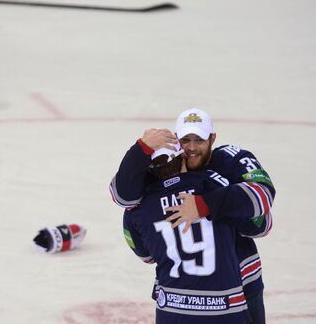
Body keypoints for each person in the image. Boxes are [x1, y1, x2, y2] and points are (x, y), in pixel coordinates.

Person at [110, 108, 275, 323]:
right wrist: (140, 149)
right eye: (185, 140)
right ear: (176, 141)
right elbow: (123, 196)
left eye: (199, 140)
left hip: (242, 285)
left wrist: (204, 205)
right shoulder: (164, 170)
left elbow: (262, 206)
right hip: (217, 299)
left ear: (213, 138)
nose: (192, 148)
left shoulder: (231, 159)